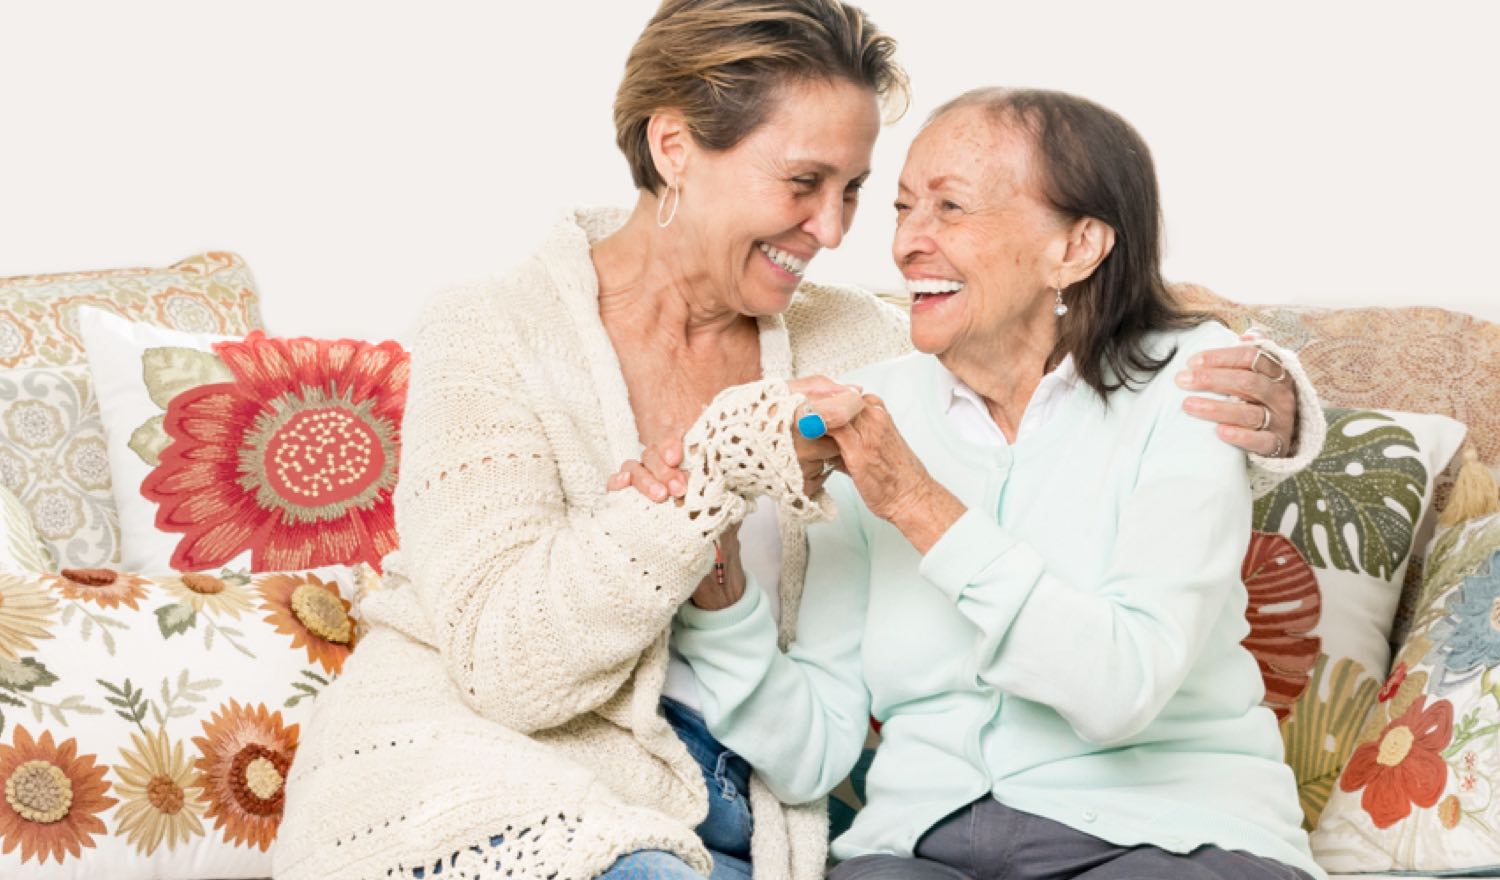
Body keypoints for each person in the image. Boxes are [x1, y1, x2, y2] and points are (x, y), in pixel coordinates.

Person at [275, 2, 1319, 879]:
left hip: (735, 796)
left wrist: (1275, 396)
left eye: (855, 190)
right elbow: (510, 668)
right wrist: (693, 506)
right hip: (495, 761)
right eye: (804, 183)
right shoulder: (491, 329)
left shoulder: (857, 349)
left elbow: (1064, 329)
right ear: (674, 147)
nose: (838, 231)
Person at [665, 88, 1326, 880]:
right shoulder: (876, 411)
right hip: (923, 849)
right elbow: (812, 753)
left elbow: (1121, 688)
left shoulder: (1196, 385)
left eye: (950, 208)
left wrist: (916, 503)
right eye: (903, 208)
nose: (908, 243)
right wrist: (717, 581)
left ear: (1076, 246)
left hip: (1171, 838)